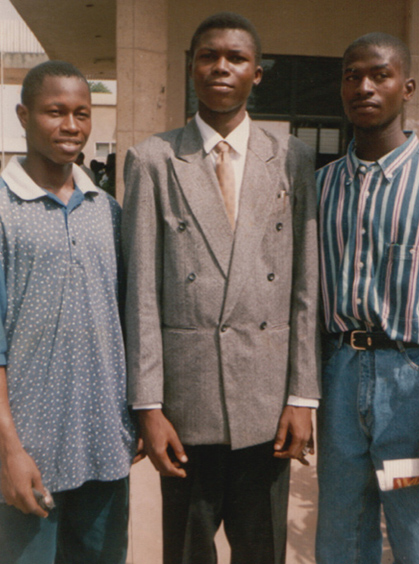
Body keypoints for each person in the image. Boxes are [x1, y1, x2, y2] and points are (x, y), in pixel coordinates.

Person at [122, 12, 320, 564]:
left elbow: (308, 287)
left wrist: (302, 398)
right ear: (191, 67)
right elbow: (140, 295)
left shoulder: (293, 158)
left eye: (236, 58)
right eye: (208, 56)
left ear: (258, 73)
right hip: (187, 408)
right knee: (187, 553)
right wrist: (149, 406)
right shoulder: (153, 160)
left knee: (262, 551)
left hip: (268, 404)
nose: (221, 67)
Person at [0, 60, 136, 564]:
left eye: (82, 113)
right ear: (23, 115)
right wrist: (9, 452)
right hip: (30, 452)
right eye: (55, 112)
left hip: (103, 445)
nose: (71, 126)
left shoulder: (106, 210)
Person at [316, 33, 419, 564]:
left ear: (406, 87)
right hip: (340, 380)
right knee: (342, 532)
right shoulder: (320, 188)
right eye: (351, 75)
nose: (364, 86)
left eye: (379, 74)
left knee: (415, 531)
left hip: (410, 391)